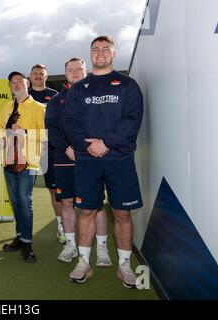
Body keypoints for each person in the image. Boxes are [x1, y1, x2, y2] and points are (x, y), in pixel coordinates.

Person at [64, 36, 143, 288]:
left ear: (113, 53)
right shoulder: (78, 89)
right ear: (90, 54)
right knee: (86, 210)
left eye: (105, 49)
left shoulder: (128, 85)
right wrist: (89, 146)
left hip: (119, 158)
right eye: (95, 49)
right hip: (88, 160)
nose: (100, 53)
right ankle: (84, 262)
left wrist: (106, 143)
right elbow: (70, 123)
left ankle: (124, 266)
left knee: (122, 212)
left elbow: (132, 119)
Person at [45, 58, 112, 266]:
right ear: (65, 73)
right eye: (70, 69)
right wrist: (67, 148)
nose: (74, 72)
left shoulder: (99, 94)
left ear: (86, 70)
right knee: (66, 202)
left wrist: (89, 147)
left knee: (96, 204)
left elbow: (105, 124)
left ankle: (102, 248)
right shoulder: (57, 101)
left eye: (78, 69)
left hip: (92, 157)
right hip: (65, 159)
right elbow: (52, 130)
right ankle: (70, 245)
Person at [0, 71, 46, 262]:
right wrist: (0, 139)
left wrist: (25, 132)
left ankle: (27, 243)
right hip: (9, 161)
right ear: (10, 87)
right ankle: (19, 236)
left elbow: (45, 135)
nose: (16, 84)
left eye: (19, 81)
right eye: (12, 82)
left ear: (27, 84)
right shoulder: (7, 106)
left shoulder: (39, 107)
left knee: (25, 201)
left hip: (28, 161)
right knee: (16, 202)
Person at [27, 64, 63, 243]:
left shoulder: (55, 95)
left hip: (50, 148)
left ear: (46, 76)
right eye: (35, 74)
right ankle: (23, 232)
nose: (38, 76)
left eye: (41, 74)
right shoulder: (23, 95)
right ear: (30, 76)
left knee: (54, 189)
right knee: (24, 191)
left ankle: (61, 226)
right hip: (27, 149)